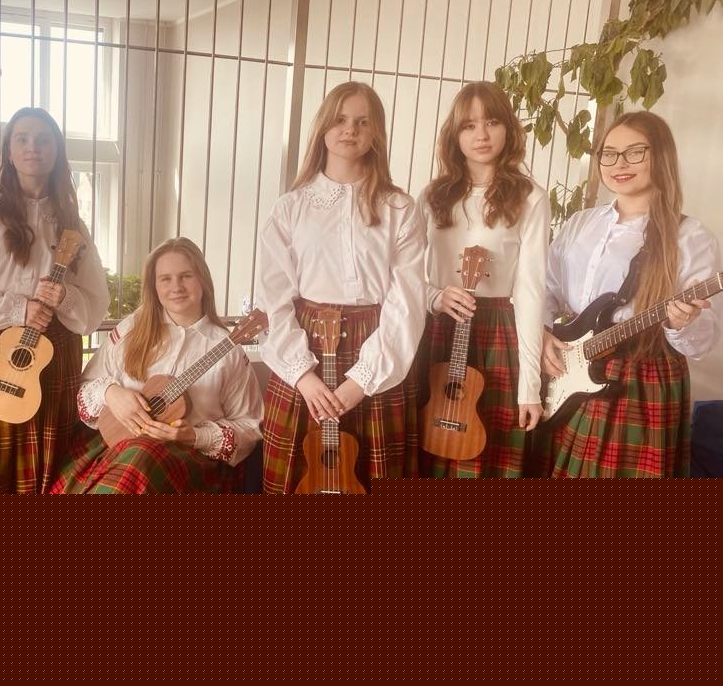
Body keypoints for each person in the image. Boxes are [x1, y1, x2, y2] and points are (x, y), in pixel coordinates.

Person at [256, 81, 427, 493]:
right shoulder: (290, 208)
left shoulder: (400, 208)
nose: (350, 129)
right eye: (341, 119)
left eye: (363, 122)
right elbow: (272, 300)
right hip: (304, 353)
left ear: (376, 133)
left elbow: (407, 303)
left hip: (377, 350)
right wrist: (302, 375)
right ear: (323, 127)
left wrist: (362, 381)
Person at [539, 111, 722, 477]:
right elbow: (547, 287)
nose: (619, 164)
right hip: (568, 369)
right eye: (609, 153)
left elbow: (703, 342)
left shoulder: (690, 237)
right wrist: (541, 334)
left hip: (641, 381)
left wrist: (683, 322)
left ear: (661, 156)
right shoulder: (580, 223)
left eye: (635, 152)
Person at [0, 107, 109, 493]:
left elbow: (96, 300)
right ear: (9, 152)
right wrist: (18, 308)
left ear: (56, 152)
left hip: (52, 351)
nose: (33, 147)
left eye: (44, 140)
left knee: (45, 467)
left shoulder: (72, 224)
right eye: (23, 139)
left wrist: (64, 297)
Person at [53, 237, 262, 494]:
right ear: (154, 286)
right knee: (136, 457)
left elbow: (249, 427)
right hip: (116, 446)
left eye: (186, 276)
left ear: (203, 280)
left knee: (143, 457)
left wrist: (194, 436)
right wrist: (110, 393)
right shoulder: (132, 328)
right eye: (165, 279)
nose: (177, 287)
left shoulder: (228, 349)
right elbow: (85, 388)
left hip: (187, 461)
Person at [415, 81, 549, 477]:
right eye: (469, 126)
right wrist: (434, 297)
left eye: (492, 122)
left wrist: (530, 387)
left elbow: (531, 292)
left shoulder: (531, 197)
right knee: (428, 450)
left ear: (508, 128)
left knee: (490, 455)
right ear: (454, 135)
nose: (482, 135)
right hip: (437, 330)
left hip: (497, 334)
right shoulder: (432, 196)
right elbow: (406, 277)